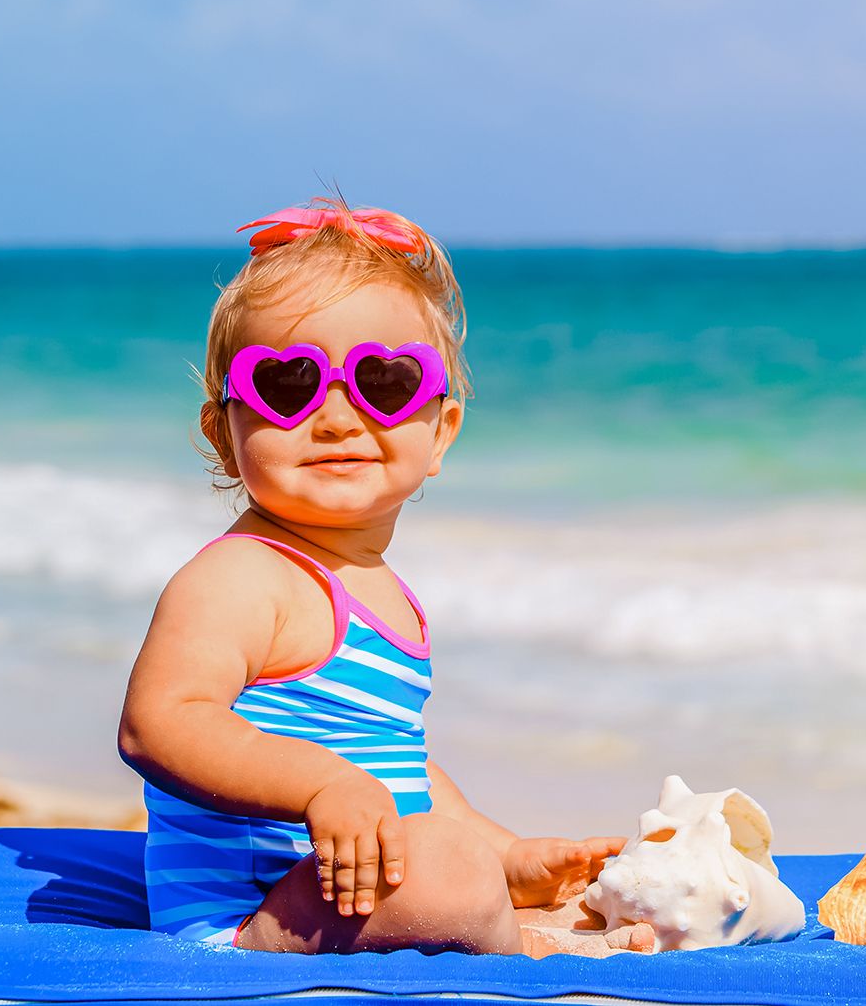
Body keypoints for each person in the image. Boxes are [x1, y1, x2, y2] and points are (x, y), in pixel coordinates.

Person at [118, 197, 654, 957]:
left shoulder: (385, 593)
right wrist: (317, 784)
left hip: (350, 891)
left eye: (387, 383)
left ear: (440, 431)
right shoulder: (241, 576)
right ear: (223, 429)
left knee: (458, 857)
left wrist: (505, 852)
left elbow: (400, 763)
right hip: (250, 918)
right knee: (448, 869)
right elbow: (160, 722)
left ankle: (517, 914)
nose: (337, 416)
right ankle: (530, 946)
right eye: (287, 383)